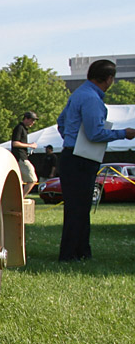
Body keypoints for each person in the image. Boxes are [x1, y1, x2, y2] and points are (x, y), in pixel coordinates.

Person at [55, 59, 135, 261]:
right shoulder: (92, 99)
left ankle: (79, 251)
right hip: (82, 159)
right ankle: (72, 253)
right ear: (108, 79)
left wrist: (71, 139)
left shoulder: (79, 94)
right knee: (80, 208)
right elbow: (95, 134)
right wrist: (124, 133)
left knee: (75, 207)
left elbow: (61, 122)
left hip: (70, 155)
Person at [10, 111, 39, 195]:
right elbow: (15, 143)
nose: (33, 122)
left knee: (20, 180)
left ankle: (16, 199)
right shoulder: (19, 128)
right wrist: (30, 145)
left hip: (21, 157)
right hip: (21, 157)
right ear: (26, 119)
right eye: (32, 120)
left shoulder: (23, 129)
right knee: (32, 180)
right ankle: (21, 199)